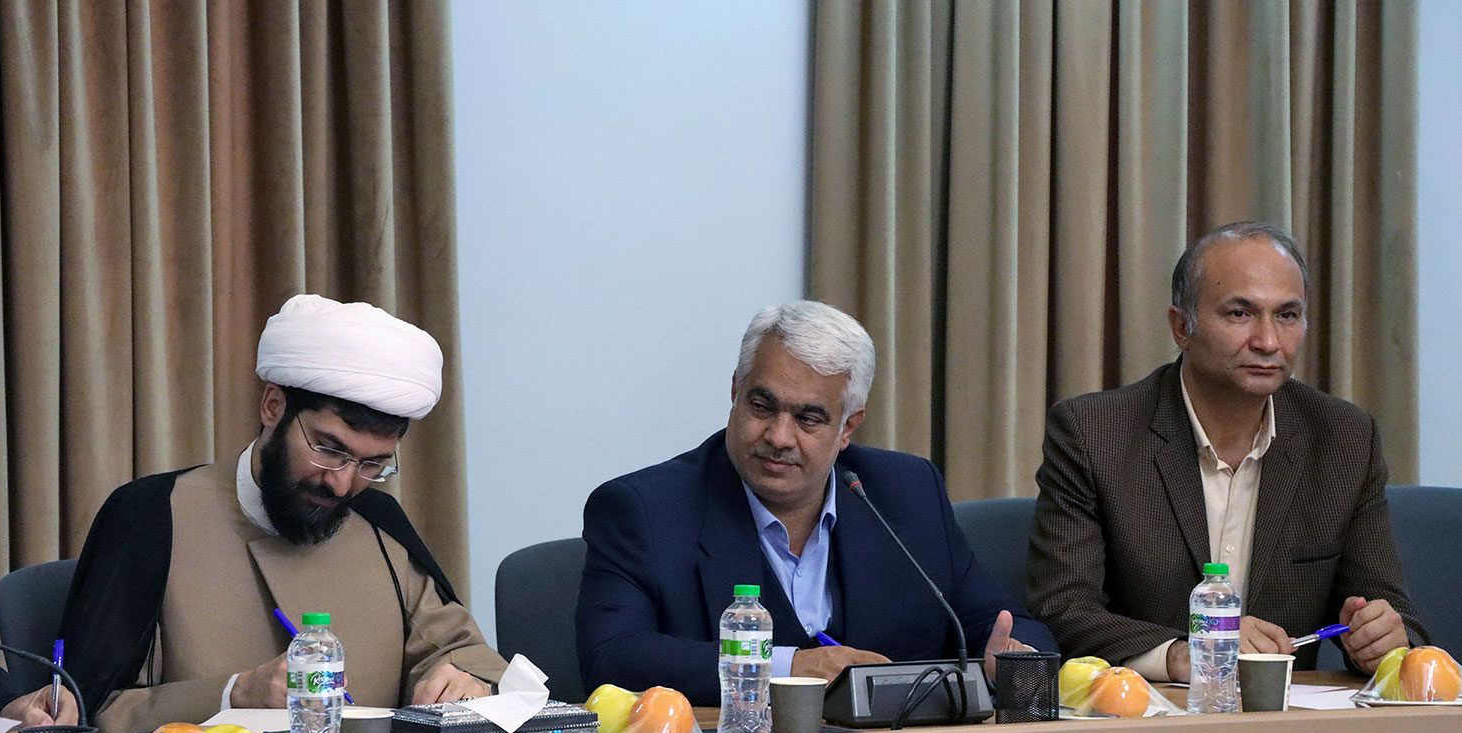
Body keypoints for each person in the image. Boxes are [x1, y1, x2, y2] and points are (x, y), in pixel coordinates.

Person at [54, 294, 506, 733]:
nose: (342, 484)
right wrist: (235, 694)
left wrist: (464, 679)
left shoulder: (378, 521)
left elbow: (459, 651)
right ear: (273, 407)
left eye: (372, 464)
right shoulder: (152, 516)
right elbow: (86, 714)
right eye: (328, 449)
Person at [576, 300, 1056, 705]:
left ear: (848, 427)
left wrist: (1015, 664)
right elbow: (612, 657)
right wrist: (790, 668)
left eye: (808, 419)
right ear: (735, 391)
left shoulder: (906, 493)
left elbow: (1005, 627)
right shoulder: (643, 509)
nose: (779, 437)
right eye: (761, 406)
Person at [1027, 222, 1427, 680]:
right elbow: (1062, 609)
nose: (1268, 342)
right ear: (1182, 327)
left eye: (1287, 315)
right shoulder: (1094, 433)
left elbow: (1392, 613)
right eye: (1240, 314)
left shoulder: (1344, 439)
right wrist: (1187, 654)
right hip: (1148, 710)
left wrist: (1384, 641)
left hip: (1285, 718)